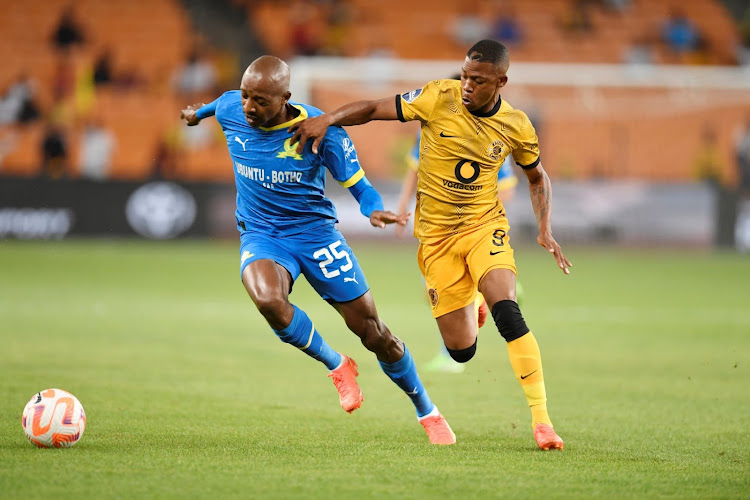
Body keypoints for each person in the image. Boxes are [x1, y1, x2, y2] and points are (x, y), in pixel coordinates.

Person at [289, 39, 570, 450]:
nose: (467, 85)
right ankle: (472, 302)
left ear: (501, 81)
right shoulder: (438, 96)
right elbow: (373, 109)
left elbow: (536, 177)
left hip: (483, 226)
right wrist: (327, 119)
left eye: (477, 80)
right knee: (461, 352)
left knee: (507, 309)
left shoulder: (517, 125)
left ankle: (542, 421)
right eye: (465, 76)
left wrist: (545, 228)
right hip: (436, 239)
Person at [180, 55, 455, 445]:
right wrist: (196, 115)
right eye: (245, 97)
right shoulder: (231, 107)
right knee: (269, 301)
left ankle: (427, 410)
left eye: (260, 100)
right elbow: (216, 105)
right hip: (261, 234)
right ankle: (337, 364)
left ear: (286, 97)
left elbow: (359, 186)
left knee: (374, 333)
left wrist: (375, 209)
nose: (249, 108)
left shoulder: (322, 131)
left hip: (316, 236)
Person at [396, 129, 520, 374]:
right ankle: (483, 300)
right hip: (435, 231)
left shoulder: (489, 131)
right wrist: (402, 207)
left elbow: (506, 188)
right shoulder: (430, 127)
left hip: (471, 235)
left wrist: (478, 219)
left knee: (449, 294)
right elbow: (414, 169)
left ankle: (452, 353)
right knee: (431, 289)